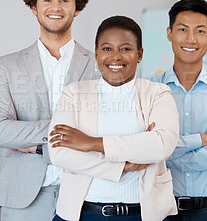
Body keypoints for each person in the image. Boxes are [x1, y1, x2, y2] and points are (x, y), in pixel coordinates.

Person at [0, 0, 98, 221]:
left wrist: (34, 145)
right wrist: (70, 131)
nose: (55, 6)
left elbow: (105, 129)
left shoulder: (99, 65)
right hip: (23, 197)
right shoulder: (7, 65)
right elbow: (0, 131)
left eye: (64, 0)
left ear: (77, 8)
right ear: (34, 8)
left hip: (87, 196)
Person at [47, 15, 179, 221]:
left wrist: (91, 143)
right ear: (97, 53)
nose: (115, 57)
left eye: (125, 49)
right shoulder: (74, 93)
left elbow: (161, 145)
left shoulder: (157, 93)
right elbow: (59, 154)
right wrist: (122, 166)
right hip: (83, 214)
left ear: (139, 54)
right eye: (107, 49)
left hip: (141, 214)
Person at [149, 0, 207, 221]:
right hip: (160, 209)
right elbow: (147, 147)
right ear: (169, 33)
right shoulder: (151, 88)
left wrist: (169, 156)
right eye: (182, 29)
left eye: (200, 31)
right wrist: (200, 139)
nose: (190, 39)